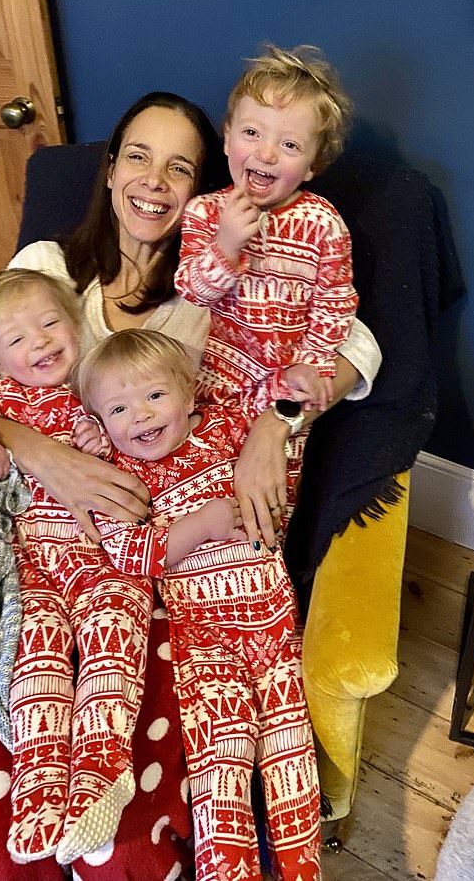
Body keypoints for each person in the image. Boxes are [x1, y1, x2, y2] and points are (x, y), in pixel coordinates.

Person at [0, 90, 381, 881]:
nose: (154, 180)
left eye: (180, 166)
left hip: (154, 557)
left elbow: (356, 345)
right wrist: (49, 455)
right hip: (50, 542)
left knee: (130, 806)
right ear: (108, 171)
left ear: (205, 191)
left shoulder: (217, 283)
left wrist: (276, 426)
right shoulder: (45, 269)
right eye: (137, 155)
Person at [0, 268, 157, 864]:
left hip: (107, 557)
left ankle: (102, 774)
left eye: (50, 324)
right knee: (38, 661)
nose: (41, 343)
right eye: (18, 340)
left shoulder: (98, 380)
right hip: (36, 564)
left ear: (76, 326)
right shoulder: (0, 398)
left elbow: (142, 420)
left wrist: (103, 432)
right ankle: (41, 787)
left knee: (112, 644)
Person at [77, 329, 321, 881]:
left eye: (154, 396)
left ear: (189, 394)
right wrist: (202, 525)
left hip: (274, 627)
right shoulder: (121, 475)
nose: (139, 416)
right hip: (202, 640)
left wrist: (297, 391)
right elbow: (132, 554)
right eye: (118, 408)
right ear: (101, 422)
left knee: (292, 763)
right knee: (222, 771)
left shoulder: (226, 430)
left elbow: (282, 413)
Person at [175, 44, 358, 519]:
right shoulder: (205, 212)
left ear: (313, 165)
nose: (267, 153)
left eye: (290, 145)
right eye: (252, 133)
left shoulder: (324, 224)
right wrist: (226, 245)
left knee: (267, 503)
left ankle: (262, 571)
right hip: (210, 385)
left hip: (283, 389)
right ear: (228, 138)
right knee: (196, 492)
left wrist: (313, 367)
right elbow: (192, 289)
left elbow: (336, 304)